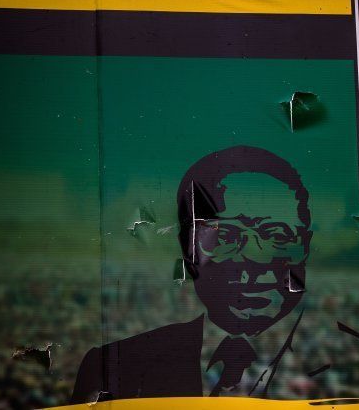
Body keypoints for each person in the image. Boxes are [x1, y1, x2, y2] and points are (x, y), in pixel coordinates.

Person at [71, 146, 313, 403]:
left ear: (306, 247)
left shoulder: (357, 356)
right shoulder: (116, 366)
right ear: (188, 248)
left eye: (276, 234)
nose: (252, 256)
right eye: (223, 236)